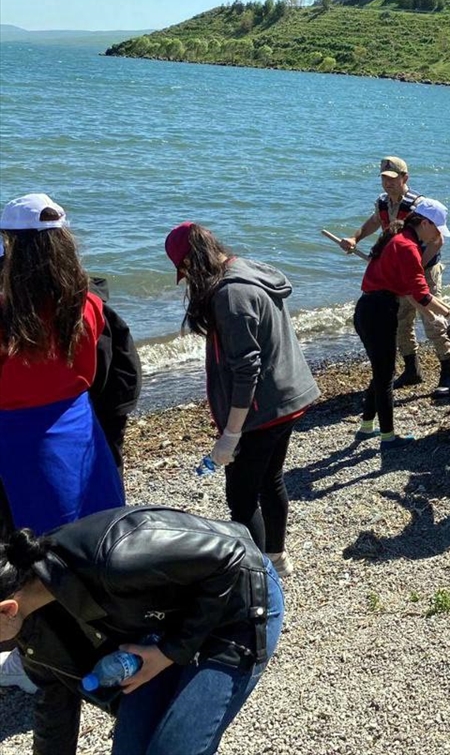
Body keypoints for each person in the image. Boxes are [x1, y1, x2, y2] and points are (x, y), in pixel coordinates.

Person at [0, 505, 284, 755]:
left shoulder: (114, 557)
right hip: (168, 623)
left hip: (238, 603)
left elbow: (232, 556)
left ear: (7, 609)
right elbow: (55, 707)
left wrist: (168, 652)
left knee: (172, 749)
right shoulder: (31, 626)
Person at [165, 222, 319, 577]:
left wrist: (231, 435)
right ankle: (277, 559)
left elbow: (246, 370)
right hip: (288, 396)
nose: (188, 280)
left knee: (241, 498)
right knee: (271, 480)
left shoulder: (229, 295)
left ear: (192, 261)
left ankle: (258, 573)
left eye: (185, 271)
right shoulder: (245, 269)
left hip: (262, 411)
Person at [0, 194, 125, 537]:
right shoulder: (88, 304)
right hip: (78, 422)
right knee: (97, 524)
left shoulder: (9, 316)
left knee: (39, 541)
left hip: (19, 434)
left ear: (13, 249)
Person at [354, 199, 450, 449]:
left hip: (369, 309)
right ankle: (388, 437)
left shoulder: (396, 236)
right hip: (378, 313)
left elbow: (409, 290)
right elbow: (422, 294)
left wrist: (437, 312)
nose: (438, 235)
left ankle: (365, 427)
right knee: (385, 376)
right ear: (424, 223)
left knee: (380, 370)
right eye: (437, 229)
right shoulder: (407, 246)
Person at [339, 157, 450, 397]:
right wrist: (355, 238)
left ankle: (447, 374)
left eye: (392, 179)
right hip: (400, 271)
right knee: (400, 321)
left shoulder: (419, 206)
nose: (387, 184)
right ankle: (412, 369)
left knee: (432, 319)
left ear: (405, 178)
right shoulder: (383, 203)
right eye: (384, 179)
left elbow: (437, 241)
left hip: (424, 269)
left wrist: (415, 268)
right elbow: (375, 222)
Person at [87, 277, 143, 475]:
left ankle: (115, 502)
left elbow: (99, 364)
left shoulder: (86, 306)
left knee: (108, 459)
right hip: (116, 380)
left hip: (115, 389)